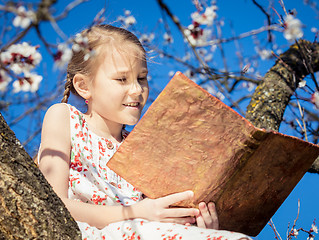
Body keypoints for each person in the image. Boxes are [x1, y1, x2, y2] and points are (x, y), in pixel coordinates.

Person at [38, 24, 251, 240]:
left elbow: (160, 215)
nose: (137, 90)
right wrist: (136, 213)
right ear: (84, 85)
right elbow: (51, 202)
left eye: (141, 78)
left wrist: (199, 226)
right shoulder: (65, 117)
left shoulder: (144, 148)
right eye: (122, 79)